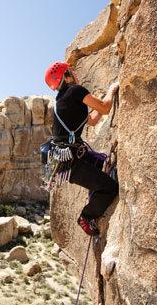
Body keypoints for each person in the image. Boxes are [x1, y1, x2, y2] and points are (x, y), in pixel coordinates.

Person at [43, 61, 119, 236]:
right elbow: (106, 108)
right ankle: (86, 216)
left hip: (66, 160)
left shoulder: (62, 100)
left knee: (100, 163)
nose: (76, 73)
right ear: (67, 77)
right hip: (72, 161)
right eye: (72, 71)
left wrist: (101, 104)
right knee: (110, 188)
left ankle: (95, 187)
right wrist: (111, 91)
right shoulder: (76, 91)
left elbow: (92, 120)